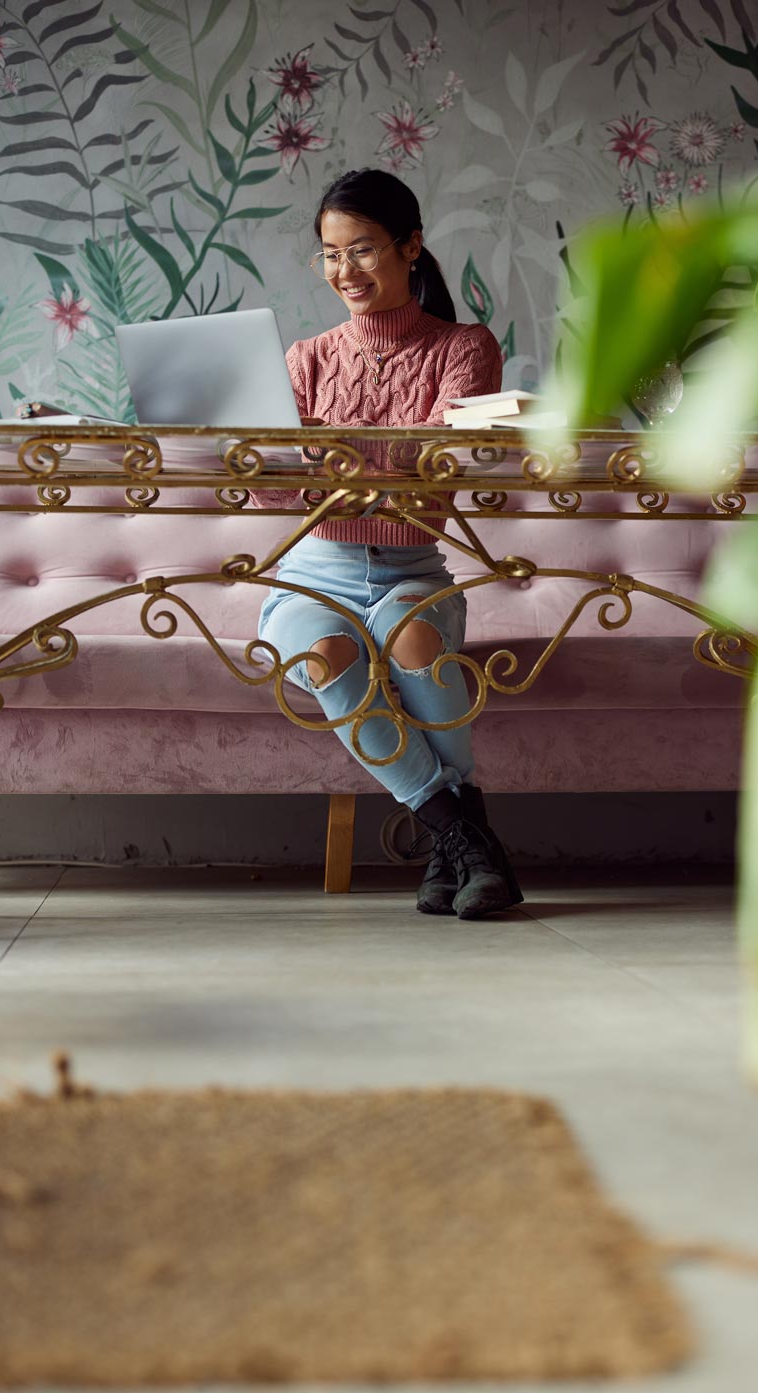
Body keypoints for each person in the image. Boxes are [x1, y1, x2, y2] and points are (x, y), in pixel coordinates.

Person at [252, 167, 522, 919]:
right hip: (313, 569)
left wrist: (320, 449)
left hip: (410, 565)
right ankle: (465, 838)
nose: (346, 271)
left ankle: (453, 844)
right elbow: (279, 493)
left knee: (412, 643)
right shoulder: (303, 359)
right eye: (331, 255)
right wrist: (266, 458)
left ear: (410, 247)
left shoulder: (464, 349)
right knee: (321, 657)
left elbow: (428, 476)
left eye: (363, 250)